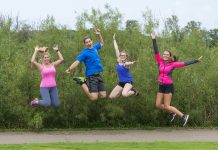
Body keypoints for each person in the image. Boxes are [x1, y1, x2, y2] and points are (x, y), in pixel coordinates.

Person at [151, 32, 202, 126]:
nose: (165, 55)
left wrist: (196, 61)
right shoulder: (160, 61)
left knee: (167, 105)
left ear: (170, 56)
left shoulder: (173, 64)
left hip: (168, 86)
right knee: (158, 105)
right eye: (164, 54)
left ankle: (183, 116)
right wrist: (154, 39)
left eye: (167, 54)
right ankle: (171, 112)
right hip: (161, 85)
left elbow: (185, 63)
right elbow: (156, 51)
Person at [66, 29, 106, 101]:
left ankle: (86, 84)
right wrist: (69, 69)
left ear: (92, 41)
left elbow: (101, 43)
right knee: (94, 98)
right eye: (86, 42)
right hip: (91, 76)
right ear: (85, 44)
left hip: (98, 75)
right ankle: (82, 82)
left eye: (89, 41)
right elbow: (77, 62)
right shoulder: (84, 53)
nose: (88, 43)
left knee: (103, 95)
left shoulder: (95, 48)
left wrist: (99, 34)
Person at [109, 33, 139, 99]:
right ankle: (121, 92)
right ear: (119, 56)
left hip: (128, 82)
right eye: (121, 55)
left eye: (124, 56)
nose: (122, 56)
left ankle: (134, 91)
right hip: (121, 82)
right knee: (111, 97)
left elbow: (127, 64)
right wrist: (114, 39)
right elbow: (116, 49)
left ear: (126, 57)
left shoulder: (126, 63)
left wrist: (131, 62)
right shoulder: (118, 60)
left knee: (124, 94)